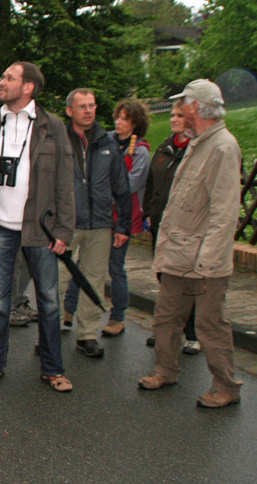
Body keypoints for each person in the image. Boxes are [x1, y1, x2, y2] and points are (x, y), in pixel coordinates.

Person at [0, 62, 75, 392]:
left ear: (27, 87)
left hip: (41, 230)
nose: (1, 81)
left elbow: (65, 183)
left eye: (8, 78)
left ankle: (53, 368)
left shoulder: (52, 126)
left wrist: (64, 231)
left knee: (49, 301)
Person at [138, 79, 244, 408]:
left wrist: (208, 264)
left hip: (204, 261)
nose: (179, 109)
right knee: (166, 317)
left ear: (195, 106)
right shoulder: (197, 143)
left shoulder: (223, 147)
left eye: (182, 102)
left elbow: (225, 212)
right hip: (178, 255)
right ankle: (165, 370)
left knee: (210, 324)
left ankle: (226, 386)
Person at [60, 88, 132, 358]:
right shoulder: (58, 142)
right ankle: (50, 332)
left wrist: (123, 226)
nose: (88, 111)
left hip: (100, 224)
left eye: (91, 106)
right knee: (56, 280)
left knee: (93, 281)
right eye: (82, 106)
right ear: (70, 111)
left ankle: (87, 335)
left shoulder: (108, 144)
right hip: (66, 225)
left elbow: (121, 187)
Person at [142, 100, 200, 355]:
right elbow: (152, 183)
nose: (174, 119)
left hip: (187, 227)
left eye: (179, 115)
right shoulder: (165, 148)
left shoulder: (198, 149)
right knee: (164, 278)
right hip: (161, 224)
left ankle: (192, 334)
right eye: (173, 115)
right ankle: (166, 330)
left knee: (186, 280)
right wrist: (148, 212)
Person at [105, 100, 150, 336]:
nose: (119, 122)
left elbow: (131, 183)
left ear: (135, 123)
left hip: (124, 217)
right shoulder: (107, 142)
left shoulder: (140, 151)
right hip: (102, 213)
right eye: (118, 117)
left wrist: (104, 183)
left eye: (124, 118)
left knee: (115, 266)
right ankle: (69, 311)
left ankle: (118, 316)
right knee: (84, 263)